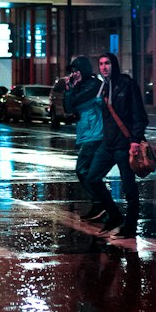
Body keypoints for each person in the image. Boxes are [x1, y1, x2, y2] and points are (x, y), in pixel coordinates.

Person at [80, 51, 148, 237]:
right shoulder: (102, 87)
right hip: (108, 145)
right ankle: (115, 216)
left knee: (128, 188)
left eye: (107, 63)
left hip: (124, 145)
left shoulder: (127, 84)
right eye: (101, 64)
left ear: (114, 65)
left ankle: (130, 227)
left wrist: (135, 140)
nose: (104, 67)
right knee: (91, 179)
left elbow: (139, 116)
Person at [63, 55, 106, 220]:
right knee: (90, 173)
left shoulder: (94, 85)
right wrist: (69, 89)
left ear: (84, 70)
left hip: (95, 135)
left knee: (82, 170)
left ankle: (100, 202)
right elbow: (68, 108)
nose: (74, 74)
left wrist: (72, 91)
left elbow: (76, 104)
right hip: (87, 134)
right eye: (73, 71)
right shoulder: (80, 86)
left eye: (76, 70)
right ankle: (101, 204)